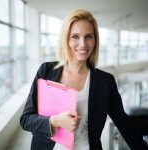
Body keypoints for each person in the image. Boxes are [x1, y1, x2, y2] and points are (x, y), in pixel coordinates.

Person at [20, 9, 148, 150]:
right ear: (66, 39)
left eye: (89, 36)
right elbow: (26, 119)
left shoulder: (105, 81)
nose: (83, 44)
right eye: (75, 36)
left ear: (95, 40)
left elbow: (124, 124)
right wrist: (55, 121)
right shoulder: (46, 71)